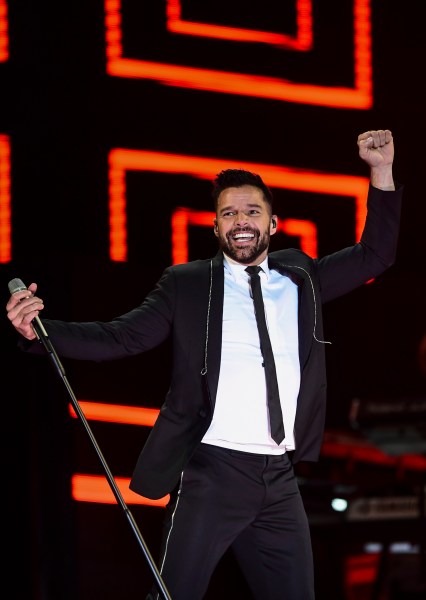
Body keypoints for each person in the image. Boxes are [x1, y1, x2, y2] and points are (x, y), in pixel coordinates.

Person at [6, 130, 403, 600]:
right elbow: (124, 336)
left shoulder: (301, 277)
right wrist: (41, 331)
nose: (241, 221)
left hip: (278, 477)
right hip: (212, 471)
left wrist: (380, 172)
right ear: (215, 227)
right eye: (229, 213)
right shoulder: (187, 284)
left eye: (252, 212)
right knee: (175, 594)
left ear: (273, 224)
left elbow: (376, 254)